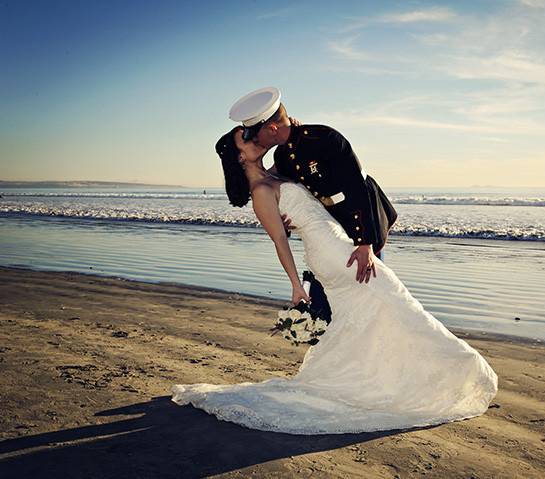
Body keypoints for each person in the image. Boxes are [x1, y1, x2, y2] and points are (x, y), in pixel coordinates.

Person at [169, 125, 499, 435]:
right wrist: (297, 285)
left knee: (378, 312)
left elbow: (314, 190)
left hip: (338, 244)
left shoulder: (277, 172)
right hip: (332, 254)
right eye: (247, 139)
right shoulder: (259, 191)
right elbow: (280, 243)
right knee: (396, 302)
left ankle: (394, 377)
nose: (254, 138)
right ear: (240, 156)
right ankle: (458, 366)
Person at [230, 87, 396, 282]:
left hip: (362, 219)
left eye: (255, 136)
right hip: (330, 226)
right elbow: (281, 187)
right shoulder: (282, 155)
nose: (256, 141)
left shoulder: (323, 138)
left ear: (273, 129)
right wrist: (284, 221)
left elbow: (358, 188)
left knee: (373, 283)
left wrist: (365, 243)